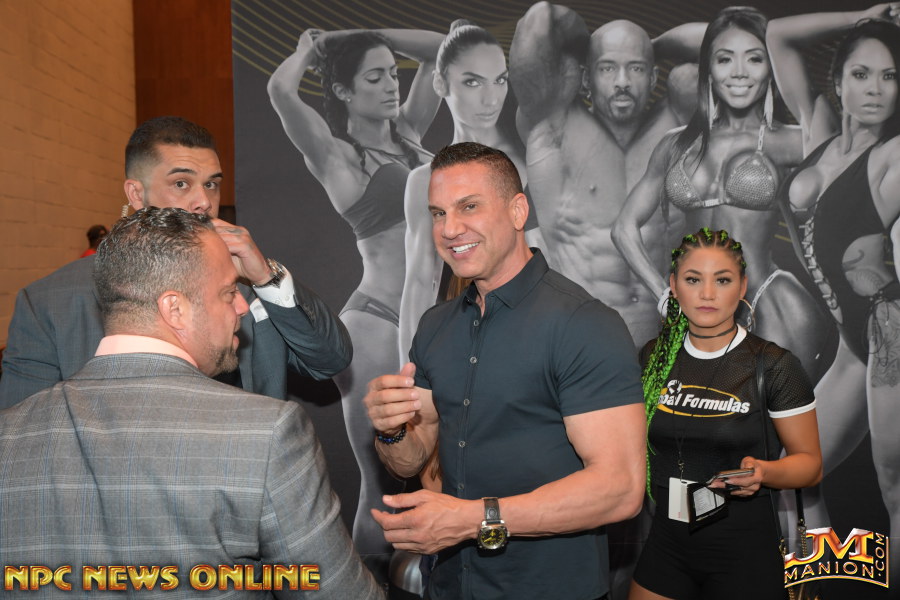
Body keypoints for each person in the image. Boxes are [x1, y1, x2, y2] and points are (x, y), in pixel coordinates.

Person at [0, 208, 383, 600]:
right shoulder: (266, 434)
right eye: (229, 293)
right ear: (175, 309)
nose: (241, 308)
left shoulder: (9, 434)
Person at [364, 142, 646, 600]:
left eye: (469, 207)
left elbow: (621, 488)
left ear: (518, 211)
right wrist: (391, 430)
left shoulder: (583, 323)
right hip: (450, 586)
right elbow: (414, 460)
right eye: (438, 213)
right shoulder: (435, 326)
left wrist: (472, 519)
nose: (450, 229)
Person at [0, 116, 351, 408]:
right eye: (181, 183)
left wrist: (265, 278)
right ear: (136, 194)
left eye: (211, 184)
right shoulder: (51, 302)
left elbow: (329, 361)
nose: (203, 201)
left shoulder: (247, 281)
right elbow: (24, 436)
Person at [267, 27, 443, 578]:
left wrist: (364, 35)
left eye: (393, 73)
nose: (391, 85)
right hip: (377, 323)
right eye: (374, 77)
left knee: (439, 472)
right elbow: (280, 92)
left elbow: (443, 49)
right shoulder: (336, 154)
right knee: (383, 482)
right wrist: (309, 50)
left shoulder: (409, 132)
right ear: (343, 91)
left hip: (434, 320)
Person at [613, 6, 832, 382]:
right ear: (709, 70)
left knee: (773, 418)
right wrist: (663, 294)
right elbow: (623, 228)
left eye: (755, 59)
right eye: (725, 59)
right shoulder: (676, 145)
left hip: (770, 302)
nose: (740, 72)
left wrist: (866, 14)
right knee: (681, 414)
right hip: (696, 309)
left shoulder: (792, 142)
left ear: (771, 68)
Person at [767, 6, 900, 578]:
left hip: (891, 339)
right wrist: (863, 16)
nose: (875, 89)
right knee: (794, 476)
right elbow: (778, 35)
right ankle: (816, 584)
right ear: (839, 82)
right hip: (852, 345)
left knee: (895, 491)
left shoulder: (893, 156)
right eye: (861, 74)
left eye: (891, 76)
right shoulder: (820, 132)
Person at [630, 227, 822, 600]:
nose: (707, 293)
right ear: (673, 285)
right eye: (692, 279)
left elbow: (810, 465)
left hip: (744, 556)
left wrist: (764, 473)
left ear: (743, 286)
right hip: (666, 547)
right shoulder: (654, 357)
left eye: (722, 280)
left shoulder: (774, 365)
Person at [510, 1, 704, 348]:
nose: (622, 82)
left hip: (666, 348)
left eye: (636, 69)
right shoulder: (555, 128)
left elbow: (725, 42)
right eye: (607, 68)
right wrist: (592, 45)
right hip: (579, 348)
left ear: (654, 77)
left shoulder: (677, 124)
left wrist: (651, 47)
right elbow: (540, 20)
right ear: (586, 77)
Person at [398, 19, 540, 362]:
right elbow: (419, 284)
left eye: (499, 80)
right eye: (473, 82)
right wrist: (409, 374)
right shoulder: (424, 182)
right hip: (461, 343)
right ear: (440, 82)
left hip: (535, 339)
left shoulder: (535, 161)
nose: (490, 98)